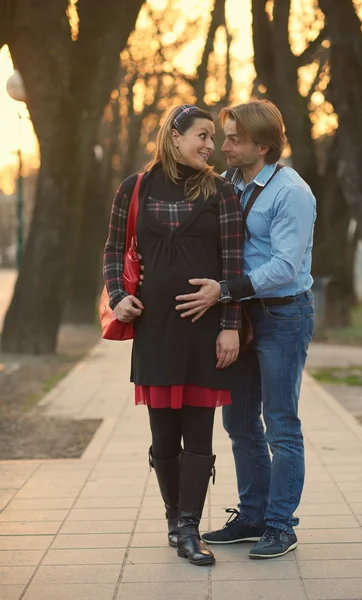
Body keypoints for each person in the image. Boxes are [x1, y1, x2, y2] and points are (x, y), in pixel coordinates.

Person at [175, 99, 316, 559]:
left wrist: (226, 289)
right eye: (223, 136)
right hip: (243, 315)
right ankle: (253, 514)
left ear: (264, 145)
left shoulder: (291, 192)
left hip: (282, 314)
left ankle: (280, 525)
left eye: (234, 138)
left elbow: (284, 266)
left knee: (281, 423)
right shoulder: (228, 184)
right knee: (238, 419)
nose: (224, 145)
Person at [103, 104, 243, 566]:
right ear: (174, 136)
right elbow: (113, 250)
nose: (210, 145)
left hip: (205, 331)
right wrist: (118, 295)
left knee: (199, 434)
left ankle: (190, 528)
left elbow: (233, 263)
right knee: (164, 437)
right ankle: (171, 518)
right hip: (155, 327)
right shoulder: (135, 187)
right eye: (202, 135)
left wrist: (229, 325)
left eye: (212, 137)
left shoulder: (220, 191)